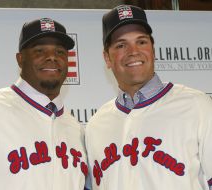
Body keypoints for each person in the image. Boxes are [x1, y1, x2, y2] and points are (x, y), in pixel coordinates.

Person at [85, 4, 212, 190]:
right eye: (121, 45)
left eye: (141, 42)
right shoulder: (96, 124)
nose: (133, 51)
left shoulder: (197, 106)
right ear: (107, 58)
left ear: (153, 50)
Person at [0, 17, 89, 190]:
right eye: (39, 51)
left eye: (60, 52)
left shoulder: (76, 129)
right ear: (20, 59)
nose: (51, 57)